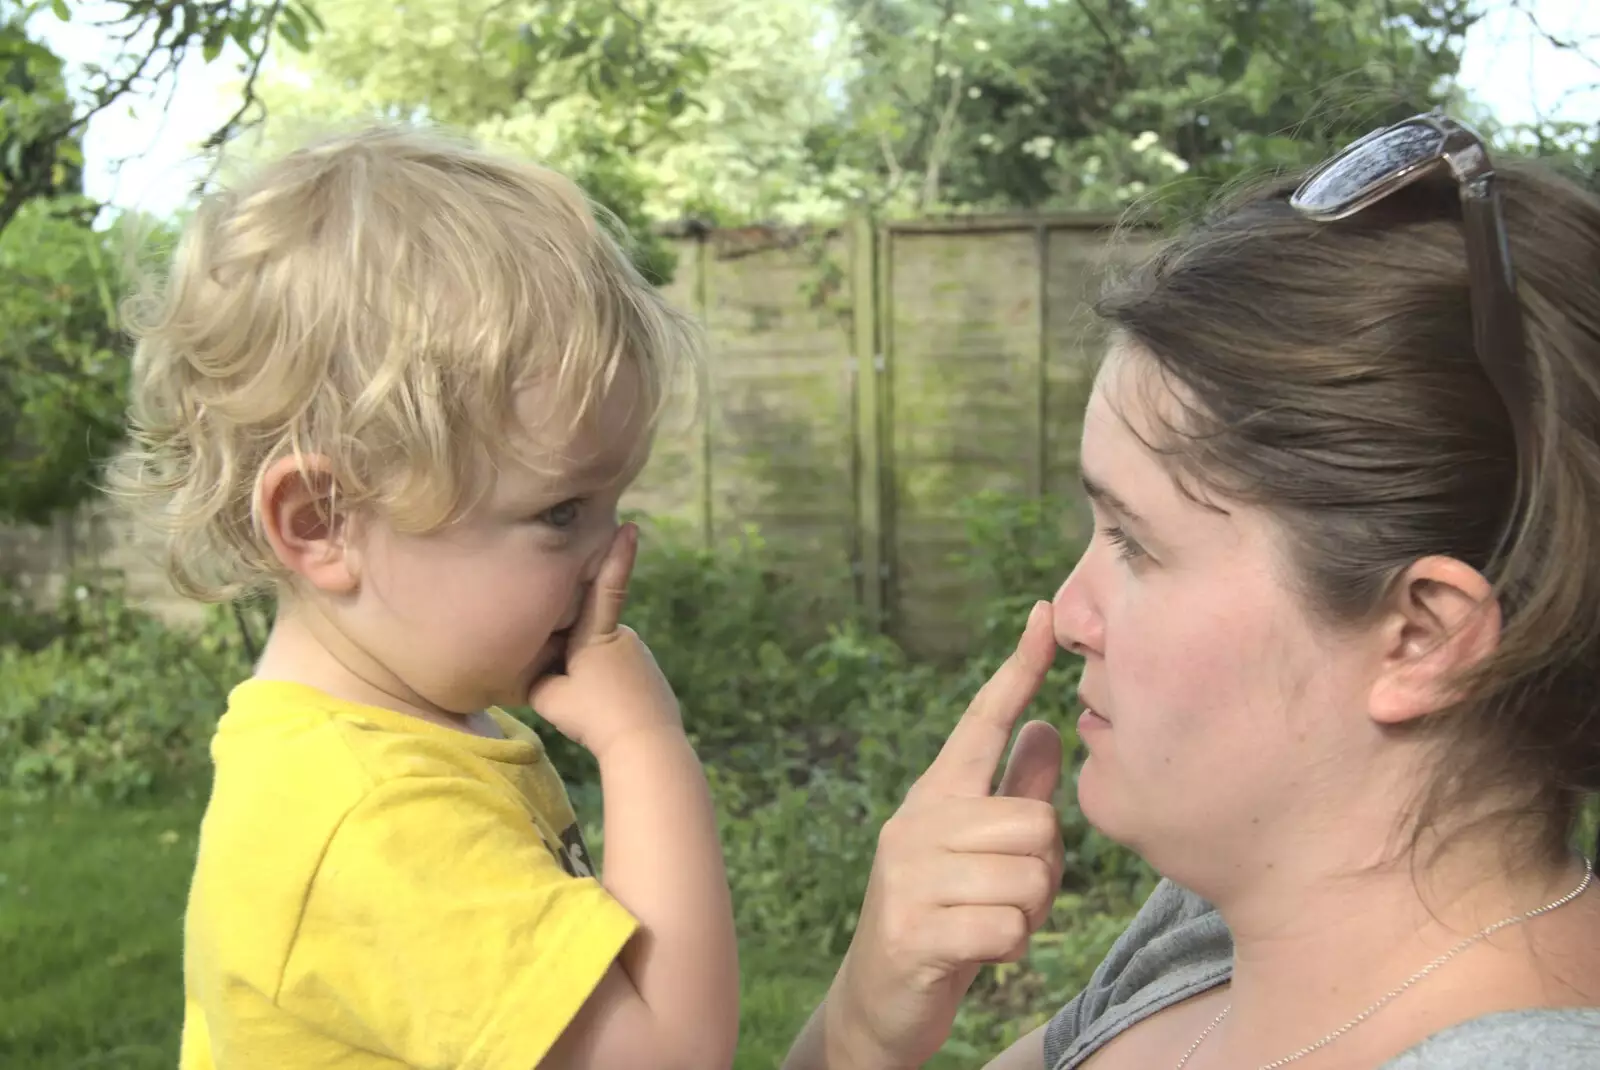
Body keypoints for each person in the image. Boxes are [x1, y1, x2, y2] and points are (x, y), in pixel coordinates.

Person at [781, 112, 1600, 1070]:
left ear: (1420, 636)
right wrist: (866, 1026)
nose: (1069, 616)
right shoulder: (1218, 931)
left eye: (1136, 542)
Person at [106, 124, 739, 1069]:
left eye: (615, 502)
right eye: (562, 512)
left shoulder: (389, 749)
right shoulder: (377, 820)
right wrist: (646, 745)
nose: (613, 557)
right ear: (324, 521)